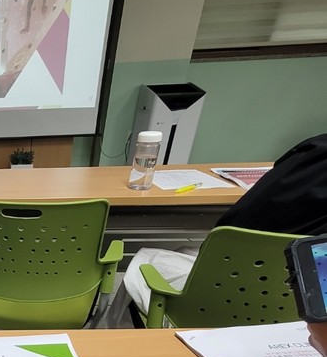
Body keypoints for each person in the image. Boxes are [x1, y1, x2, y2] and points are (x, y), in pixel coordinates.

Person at [123, 133, 327, 319]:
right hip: (293, 309)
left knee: (144, 261)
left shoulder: (315, 154)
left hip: (208, 301)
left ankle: (118, 329)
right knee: (187, 251)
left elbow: (235, 224)